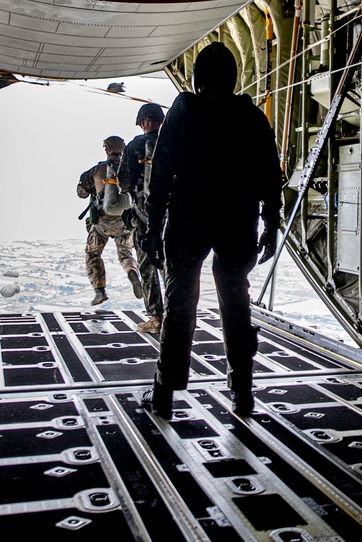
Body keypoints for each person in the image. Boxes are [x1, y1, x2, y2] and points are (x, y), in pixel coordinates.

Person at [140, 42, 282, 419]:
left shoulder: (184, 110)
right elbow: (271, 174)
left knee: (180, 307)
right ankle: (242, 393)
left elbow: (162, 172)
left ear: (197, 76)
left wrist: (153, 227)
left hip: (188, 221)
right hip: (237, 223)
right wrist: (271, 224)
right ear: (232, 77)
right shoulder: (251, 116)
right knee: (236, 305)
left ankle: (164, 393)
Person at [118, 103, 167, 334]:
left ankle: (156, 318)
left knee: (147, 268)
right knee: (173, 268)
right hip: (174, 219)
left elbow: (124, 181)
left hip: (143, 218)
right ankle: (178, 317)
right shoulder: (175, 141)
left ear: (144, 121)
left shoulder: (136, 145)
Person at [77, 136, 143, 306]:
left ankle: (100, 291)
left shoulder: (96, 170)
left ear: (106, 149)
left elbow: (81, 192)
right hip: (124, 222)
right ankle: (131, 271)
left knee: (93, 254)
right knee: (126, 254)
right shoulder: (130, 169)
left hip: (101, 224)